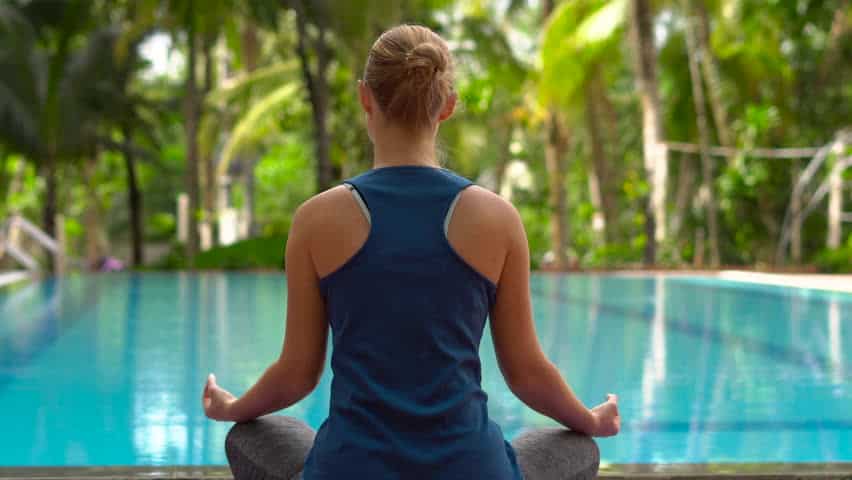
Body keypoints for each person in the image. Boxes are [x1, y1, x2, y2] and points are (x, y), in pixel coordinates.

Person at [202, 24, 620, 480]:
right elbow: (526, 373)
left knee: (254, 434)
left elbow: (297, 374)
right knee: (574, 447)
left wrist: (233, 406)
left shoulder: (315, 219)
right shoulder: (498, 218)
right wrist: (590, 419)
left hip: (351, 469)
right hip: (471, 469)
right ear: (449, 106)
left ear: (366, 97)